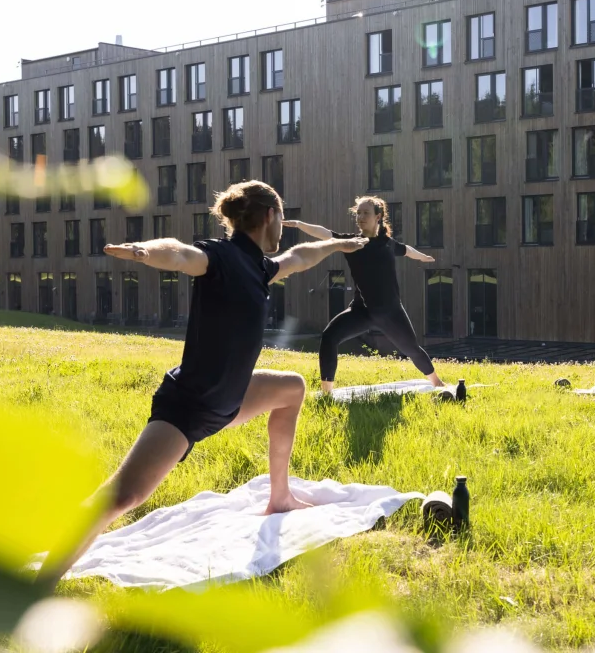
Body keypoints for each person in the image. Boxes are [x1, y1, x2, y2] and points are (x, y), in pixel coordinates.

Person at [37, 180, 365, 587]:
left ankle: (279, 496)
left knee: (292, 388)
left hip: (230, 398)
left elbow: (299, 256)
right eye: (282, 218)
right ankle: (37, 586)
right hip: (189, 408)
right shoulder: (222, 257)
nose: (283, 228)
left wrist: (337, 246)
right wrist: (143, 251)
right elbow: (180, 254)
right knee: (123, 496)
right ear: (270, 216)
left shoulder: (260, 267)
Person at [284, 196, 445, 394]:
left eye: (365, 213)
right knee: (329, 337)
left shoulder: (387, 243)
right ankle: (327, 393)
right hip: (362, 310)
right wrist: (300, 224)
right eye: (358, 213)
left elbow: (406, 250)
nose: (360, 217)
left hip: (391, 312)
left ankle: (437, 382)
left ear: (378, 216)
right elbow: (325, 234)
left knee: (412, 350)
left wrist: (422, 256)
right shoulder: (352, 243)